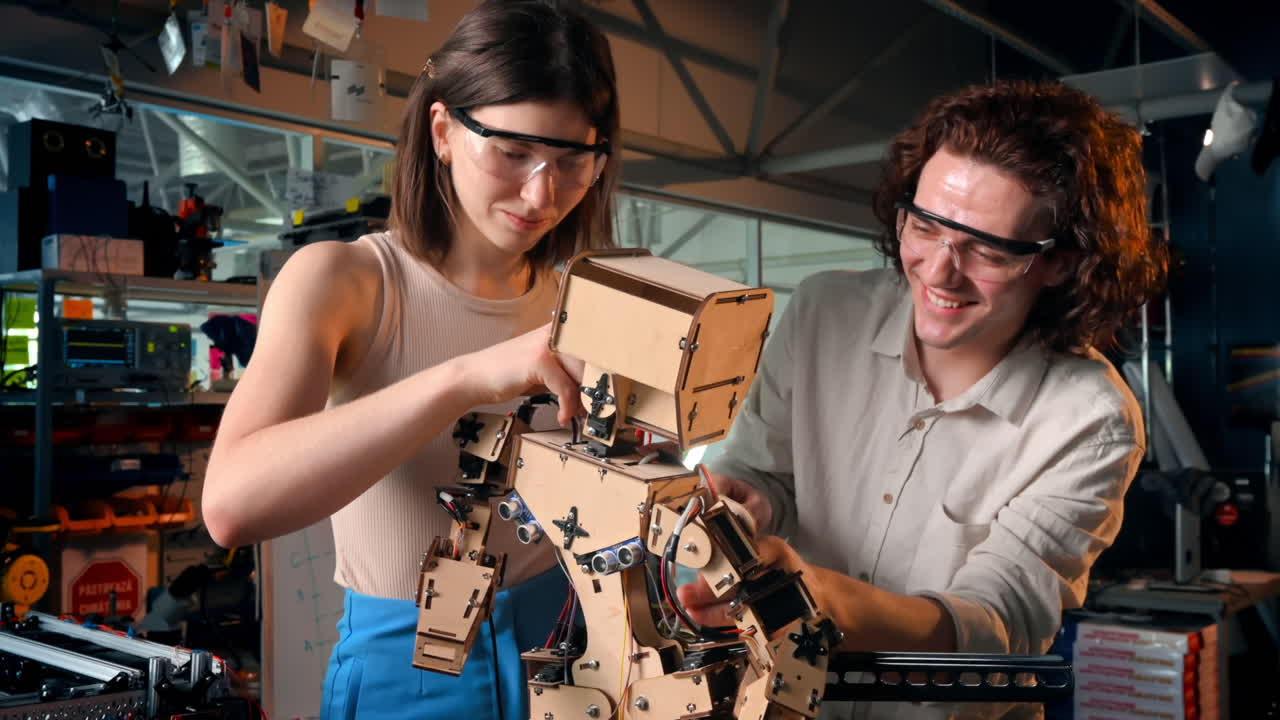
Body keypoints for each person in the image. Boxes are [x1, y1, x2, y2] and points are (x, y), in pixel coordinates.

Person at [680, 79, 1168, 719]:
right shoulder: (825, 312)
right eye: (927, 224)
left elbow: (997, 620)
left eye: (985, 247)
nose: (938, 270)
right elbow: (764, 469)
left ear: (1061, 260)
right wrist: (751, 498)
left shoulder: (1090, 419)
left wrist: (827, 601)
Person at [201, 2, 619, 718]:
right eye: (514, 153)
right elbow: (231, 505)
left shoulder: (583, 303)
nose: (542, 193)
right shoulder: (344, 281)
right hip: (412, 669)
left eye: (573, 159)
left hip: (574, 648)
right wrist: (465, 379)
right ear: (444, 131)